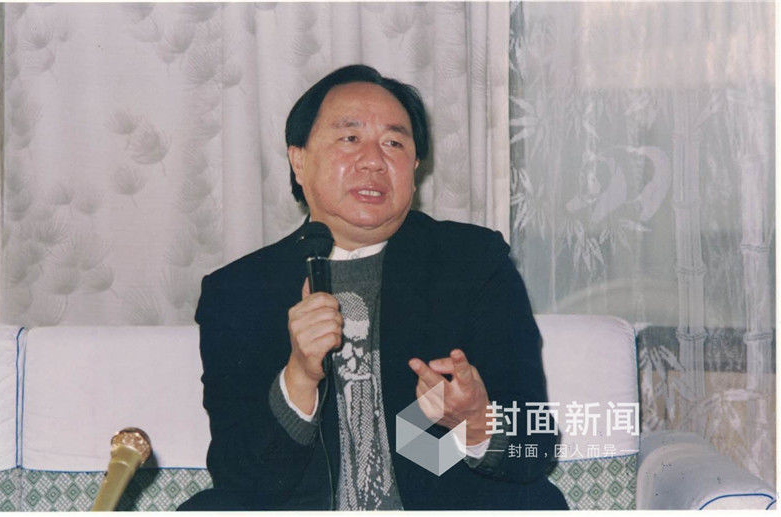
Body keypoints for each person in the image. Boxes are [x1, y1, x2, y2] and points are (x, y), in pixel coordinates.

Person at [178, 64, 568, 511]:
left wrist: (475, 422)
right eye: (350, 138)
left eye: (394, 143)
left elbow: (536, 445)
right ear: (299, 161)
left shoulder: (471, 263)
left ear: (415, 167)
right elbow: (240, 477)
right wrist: (299, 377)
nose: (373, 160)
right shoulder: (241, 291)